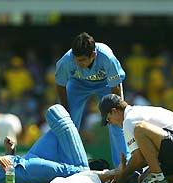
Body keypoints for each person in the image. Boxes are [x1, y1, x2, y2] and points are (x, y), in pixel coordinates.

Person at [98, 94, 173, 183]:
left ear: (114, 111)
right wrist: (125, 170)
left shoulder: (129, 120)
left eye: (108, 119)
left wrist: (123, 173)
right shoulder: (139, 111)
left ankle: (158, 178)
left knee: (140, 129)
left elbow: (139, 158)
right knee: (142, 180)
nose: (111, 123)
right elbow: (144, 156)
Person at [55, 32, 130, 166]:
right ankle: (66, 165)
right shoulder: (67, 60)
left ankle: (124, 167)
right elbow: (60, 85)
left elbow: (116, 88)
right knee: (66, 122)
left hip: (106, 85)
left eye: (83, 60)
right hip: (78, 84)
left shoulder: (107, 58)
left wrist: (117, 113)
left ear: (93, 55)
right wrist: (66, 109)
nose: (78, 63)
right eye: (76, 60)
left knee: (117, 121)